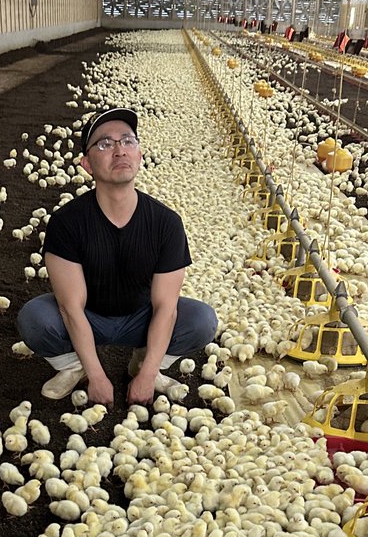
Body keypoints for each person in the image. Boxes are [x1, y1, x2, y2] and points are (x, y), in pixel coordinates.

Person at [17, 108, 218, 406]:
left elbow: (166, 308)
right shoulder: (67, 222)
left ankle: (145, 362)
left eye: (128, 141)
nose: (119, 150)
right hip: (89, 316)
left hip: (141, 316)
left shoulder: (166, 223)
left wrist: (148, 375)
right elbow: (71, 307)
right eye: (105, 144)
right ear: (87, 164)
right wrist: (97, 377)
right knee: (35, 319)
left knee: (201, 320)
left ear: (139, 154)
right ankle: (74, 366)